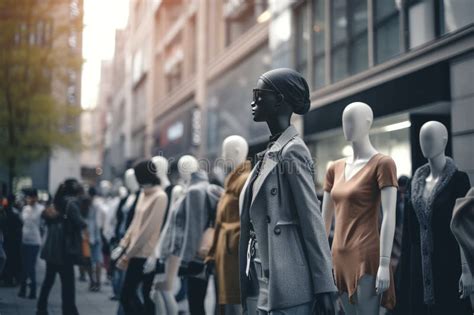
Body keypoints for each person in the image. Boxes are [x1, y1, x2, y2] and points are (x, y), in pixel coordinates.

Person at [37, 179, 87, 315]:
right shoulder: (71, 203)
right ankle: (69, 311)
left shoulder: (56, 201)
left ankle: (41, 308)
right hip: (64, 250)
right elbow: (80, 222)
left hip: (52, 248)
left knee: (48, 280)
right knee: (68, 284)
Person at [18, 188, 44, 299]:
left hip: (35, 241)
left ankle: (32, 290)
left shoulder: (41, 209)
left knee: (31, 266)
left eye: (32, 197)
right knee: (24, 265)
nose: (29, 199)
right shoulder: (25, 209)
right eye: (28, 197)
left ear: (36, 198)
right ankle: (23, 289)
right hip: (24, 240)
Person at [87, 187, 103, 292]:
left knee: (90, 260)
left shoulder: (87, 203)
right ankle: (97, 282)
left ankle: (93, 282)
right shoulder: (99, 204)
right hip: (97, 235)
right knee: (97, 260)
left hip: (89, 234)